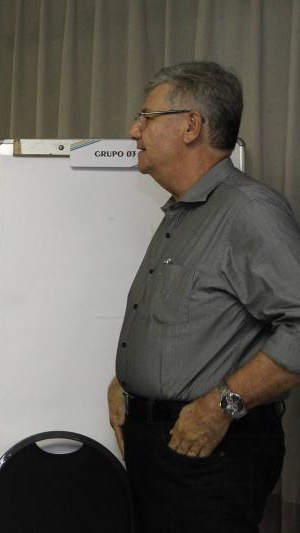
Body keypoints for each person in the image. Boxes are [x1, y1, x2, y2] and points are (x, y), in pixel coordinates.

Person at [107, 61, 300, 532]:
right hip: (160, 447)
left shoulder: (248, 210)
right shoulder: (183, 212)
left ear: (191, 125)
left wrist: (222, 405)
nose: (134, 130)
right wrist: (127, 383)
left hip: (211, 450)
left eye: (147, 117)